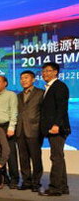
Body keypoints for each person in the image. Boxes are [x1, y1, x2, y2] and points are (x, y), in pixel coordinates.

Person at [39, 62, 71, 197]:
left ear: (55, 72)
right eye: (43, 71)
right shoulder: (50, 87)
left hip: (58, 128)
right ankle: (63, 187)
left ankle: (55, 188)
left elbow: (62, 108)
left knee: (56, 158)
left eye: (48, 71)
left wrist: (56, 125)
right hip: (53, 128)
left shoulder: (59, 86)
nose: (44, 73)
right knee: (58, 157)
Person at [16, 70, 43, 192]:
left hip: (34, 130)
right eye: (22, 78)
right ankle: (26, 181)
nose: (23, 80)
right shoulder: (18, 96)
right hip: (20, 130)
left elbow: (44, 112)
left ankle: (36, 182)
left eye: (26, 78)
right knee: (23, 158)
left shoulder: (40, 93)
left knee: (36, 158)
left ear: (33, 79)